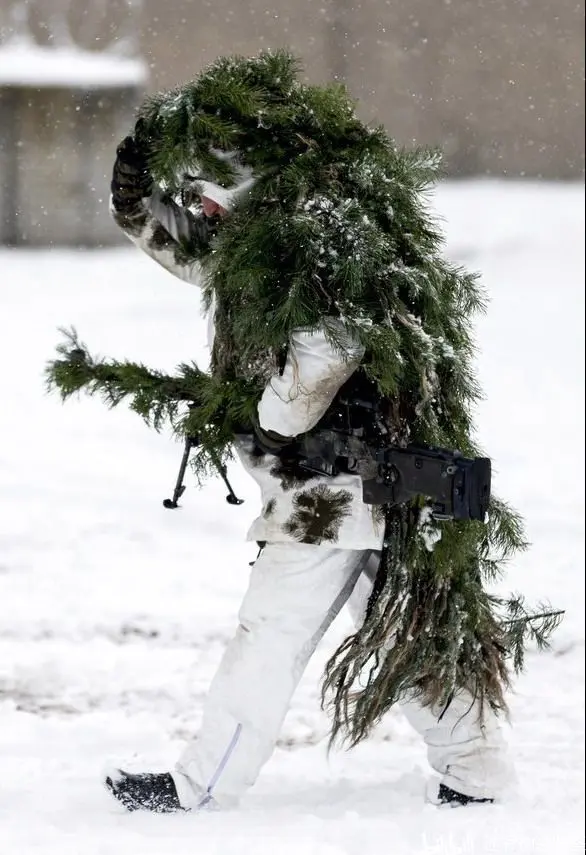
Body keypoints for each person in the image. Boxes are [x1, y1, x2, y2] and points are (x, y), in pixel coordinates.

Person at [102, 100, 511, 813]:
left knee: (269, 636)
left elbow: (327, 351)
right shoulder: (264, 249)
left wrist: (267, 420)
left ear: (248, 194)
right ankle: (478, 776)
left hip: (331, 490)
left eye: (212, 200)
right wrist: (134, 196)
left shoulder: (308, 257)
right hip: (374, 487)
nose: (204, 215)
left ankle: (201, 787)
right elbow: (181, 246)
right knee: (403, 629)